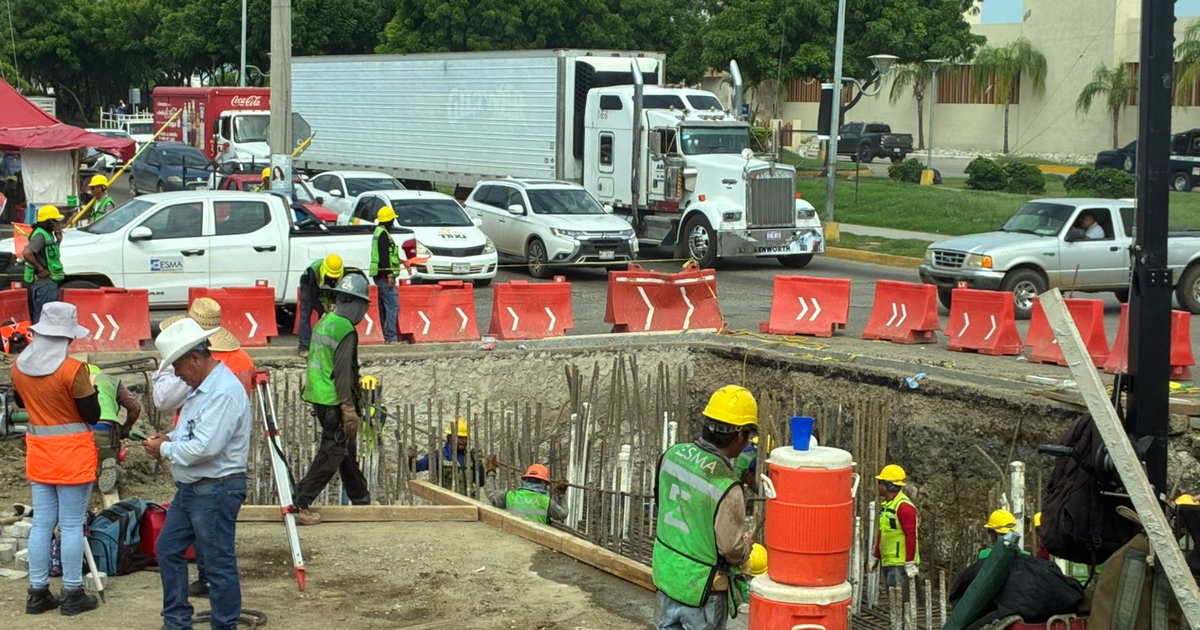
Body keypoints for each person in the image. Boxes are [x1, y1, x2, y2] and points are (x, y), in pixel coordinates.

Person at [144, 318, 250, 630]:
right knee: (170, 550)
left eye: (177, 367)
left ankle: (220, 625)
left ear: (194, 358)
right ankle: (177, 622)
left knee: (217, 564)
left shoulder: (222, 392)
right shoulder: (205, 387)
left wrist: (165, 448)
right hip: (199, 487)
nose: (177, 374)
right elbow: (192, 435)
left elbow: (205, 448)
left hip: (215, 486)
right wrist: (170, 439)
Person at [10, 302, 100, 616]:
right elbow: (92, 414)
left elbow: (23, 399)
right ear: (65, 337)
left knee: (42, 525)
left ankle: (37, 593)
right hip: (73, 455)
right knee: (72, 526)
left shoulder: (19, 365)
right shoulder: (73, 369)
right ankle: (72, 593)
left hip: (40, 453)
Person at [653, 385, 756, 630]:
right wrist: (747, 547)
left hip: (667, 574)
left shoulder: (672, 454)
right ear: (739, 435)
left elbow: (662, 502)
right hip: (702, 589)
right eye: (749, 435)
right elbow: (730, 548)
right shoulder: (726, 484)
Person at [291, 273, 373, 526]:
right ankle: (299, 502)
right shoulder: (345, 329)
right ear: (356, 303)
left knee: (345, 452)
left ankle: (361, 499)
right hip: (333, 399)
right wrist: (348, 408)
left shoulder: (325, 321)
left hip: (318, 395)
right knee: (333, 451)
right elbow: (343, 372)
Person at [89, 363, 143, 495]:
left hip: (81, 429)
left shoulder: (74, 380)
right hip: (106, 428)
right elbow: (135, 407)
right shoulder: (111, 380)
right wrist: (125, 428)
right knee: (107, 459)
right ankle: (112, 469)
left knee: (83, 463)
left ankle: (91, 476)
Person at [870, 464, 919, 598]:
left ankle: (905, 619)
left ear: (887, 486)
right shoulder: (888, 506)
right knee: (893, 601)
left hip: (900, 564)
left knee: (902, 601)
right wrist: (876, 556)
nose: (878, 486)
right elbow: (884, 532)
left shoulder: (904, 507)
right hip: (889, 560)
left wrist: (909, 562)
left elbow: (911, 535)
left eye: (880, 482)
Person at [410, 418, 485, 492]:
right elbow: (414, 467)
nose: (463, 440)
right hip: (446, 502)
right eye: (459, 437)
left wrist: (479, 464)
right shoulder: (438, 456)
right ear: (449, 437)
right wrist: (411, 458)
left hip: (468, 503)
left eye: (465, 437)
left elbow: (481, 483)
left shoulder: (470, 458)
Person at [483, 461, 567, 524]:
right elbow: (563, 515)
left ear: (526, 479)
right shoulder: (546, 502)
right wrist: (561, 494)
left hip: (512, 538)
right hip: (538, 541)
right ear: (544, 483)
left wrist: (491, 472)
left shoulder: (511, 495)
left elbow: (491, 494)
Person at [23, 205, 65, 324]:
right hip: (44, 283)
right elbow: (27, 253)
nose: (58, 224)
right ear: (50, 221)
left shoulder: (47, 234)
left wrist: (58, 241)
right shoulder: (40, 235)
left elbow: (49, 255)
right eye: (56, 221)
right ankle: (39, 341)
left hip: (48, 282)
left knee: (46, 315)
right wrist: (40, 269)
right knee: (43, 315)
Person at [298, 253, 345, 358]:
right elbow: (313, 296)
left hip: (323, 286)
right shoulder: (313, 272)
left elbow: (337, 291)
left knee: (330, 315)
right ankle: (304, 347)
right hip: (308, 285)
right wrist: (322, 311)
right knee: (305, 314)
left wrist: (332, 305)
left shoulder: (340, 271)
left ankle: (325, 345)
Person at [371, 206, 403, 344]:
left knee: (385, 307)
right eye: (392, 220)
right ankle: (391, 337)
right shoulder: (383, 233)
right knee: (393, 306)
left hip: (380, 274)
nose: (393, 223)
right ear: (389, 220)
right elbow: (384, 256)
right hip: (384, 275)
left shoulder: (378, 232)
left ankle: (387, 337)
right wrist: (390, 274)